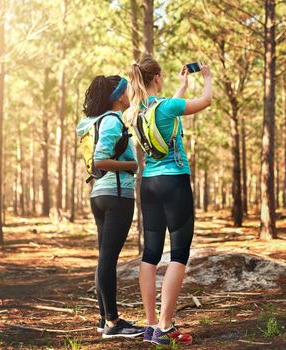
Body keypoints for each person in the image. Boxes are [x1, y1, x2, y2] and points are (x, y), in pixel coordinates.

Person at [127, 56, 212, 346]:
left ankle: (151, 325)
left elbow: (163, 111)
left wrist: (182, 85)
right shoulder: (168, 107)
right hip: (174, 183)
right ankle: (165, 325)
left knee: (150, 254)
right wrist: (207, 77)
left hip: (148, 184)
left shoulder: (135, 112)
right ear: (157, 79)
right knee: (178, 253)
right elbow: (205, 101)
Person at [76, 75, 144, 339]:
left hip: (100, 194)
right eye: (126, 91)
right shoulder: (113, 120)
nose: (129, 95)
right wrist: (132, 165)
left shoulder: (94, 122)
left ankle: (104, 318)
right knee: (107, 259)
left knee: (104, 257)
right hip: (116, 195)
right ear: (117, 97)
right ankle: (114, 324)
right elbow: (101, 160)